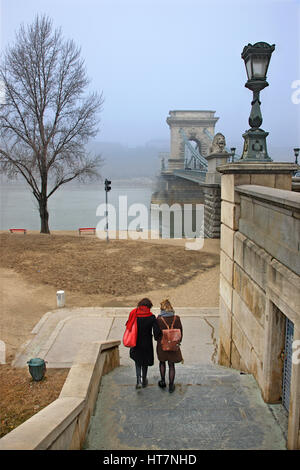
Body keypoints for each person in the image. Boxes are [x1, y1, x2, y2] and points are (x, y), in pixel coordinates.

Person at [127, 298, 161, 389]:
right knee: (144, 362)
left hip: (136, 342)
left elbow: (128, 325)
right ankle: (144, 380)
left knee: (138, 362)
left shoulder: (134, 315)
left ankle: (138, 381)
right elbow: (156, 331)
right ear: (149, 307)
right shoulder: (151, 317)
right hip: (147, 343)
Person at [156, 299, 183, 393]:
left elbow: (156, 334)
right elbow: (181, 332)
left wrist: (159, 340)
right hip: (173, 344)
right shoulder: (177, 318)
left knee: (162, 363)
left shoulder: (159, 319)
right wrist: (178, 342)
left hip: (162, 344)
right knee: (171, 365)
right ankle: (171, 385)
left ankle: (163, 381)